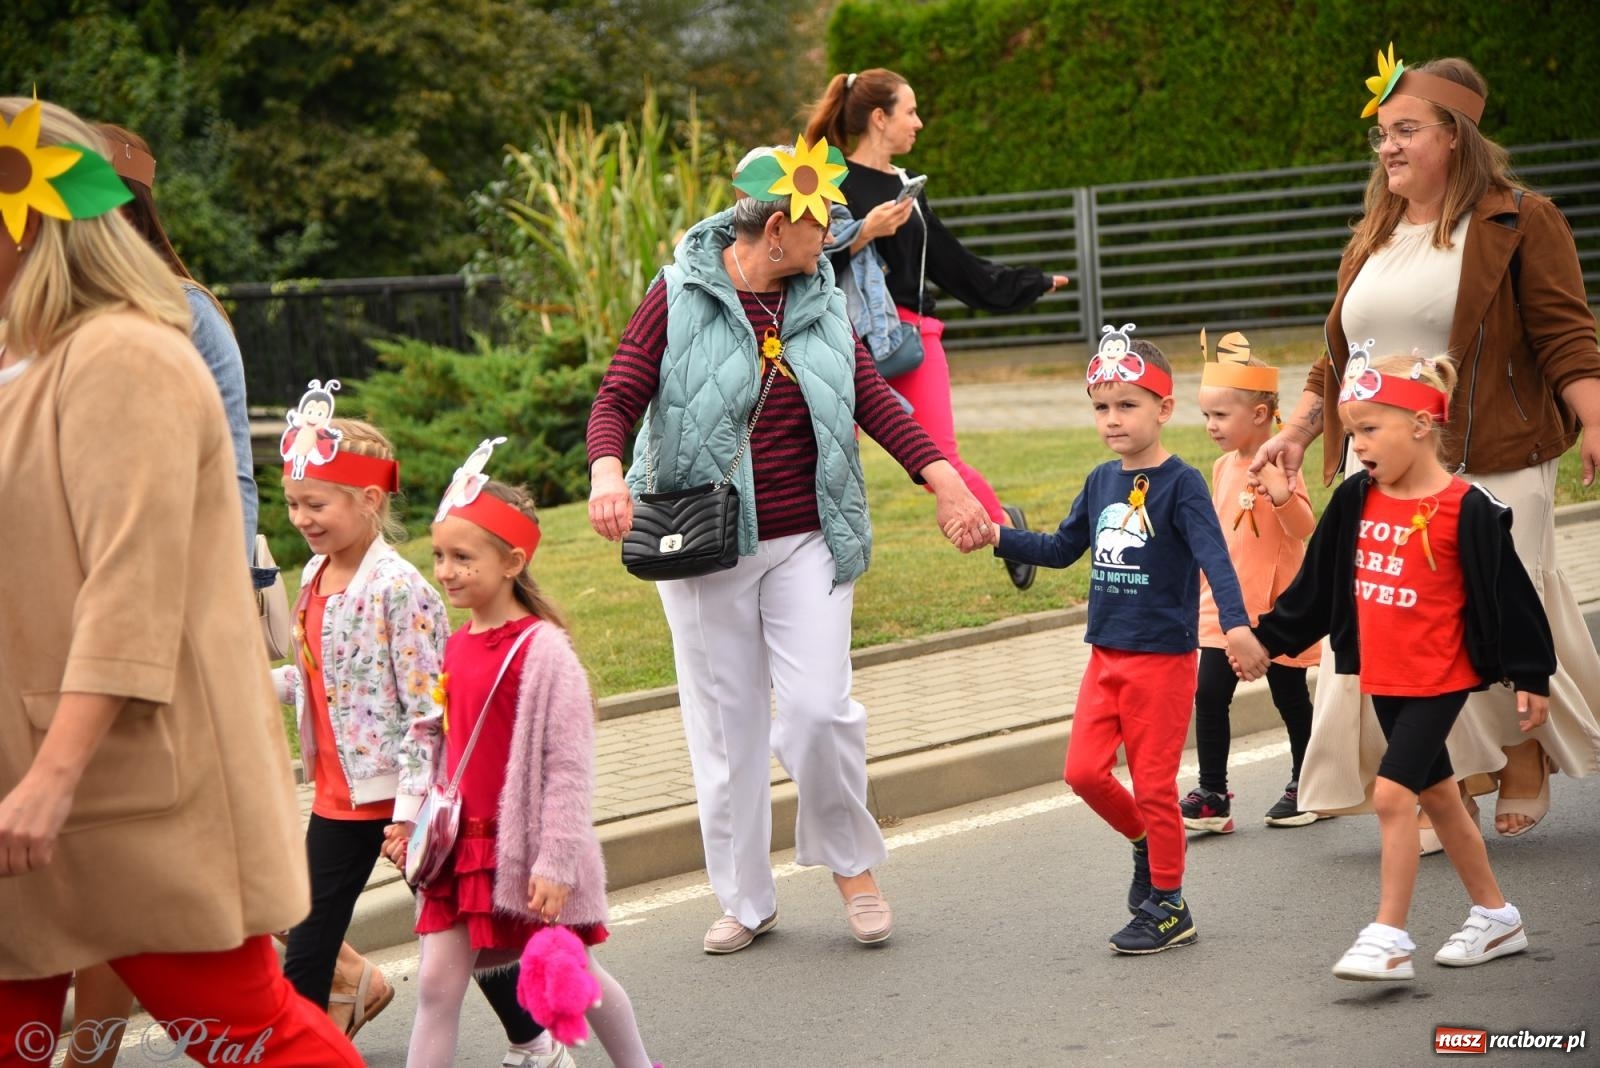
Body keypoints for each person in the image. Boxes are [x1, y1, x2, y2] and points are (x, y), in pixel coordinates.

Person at [0, 95, 360, 1065]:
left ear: (25, 215)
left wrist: (51, 776)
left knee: (253, 1034)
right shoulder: (20, 364)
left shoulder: (124, 355)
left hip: (116, 787)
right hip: (34, 784)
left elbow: (131, 589)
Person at [587, 135, 991, 954]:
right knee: (727, 730)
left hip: (809, 534)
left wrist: (945, 480)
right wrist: (605, 473)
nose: (833, 235)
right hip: (704, 545)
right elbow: (619, 392)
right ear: (776, 230)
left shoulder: (822, 295)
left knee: (817, 711)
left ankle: (851, 864)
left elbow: (870, 398)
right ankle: (745, 897)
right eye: (821, 225)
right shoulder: (678, 293)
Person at [1252, 48, 1600, 844]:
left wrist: (1596, 420)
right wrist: (1300, 431)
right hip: (1390, 464)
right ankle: (1447, 778)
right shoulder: (1372, 234)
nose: (1389, 149)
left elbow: (1566, 335)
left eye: (1407, 130)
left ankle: (1519, 755)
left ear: (1457, 137)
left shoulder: (1517, 220)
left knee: (1492, 609)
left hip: (1497, 457)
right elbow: (1338, 358)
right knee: (1404, 623)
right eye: (1382, 135)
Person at [1245, 353, 1553, 981]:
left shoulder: (1470, 508)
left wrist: (1531, 675)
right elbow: (1319, 586)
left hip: (1439, 677)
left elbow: (1512, 596)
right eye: (1351, 431)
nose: (1356, 446)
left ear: (1420, 424)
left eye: (1368, 430)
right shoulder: (1358, 498)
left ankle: (1387, 936)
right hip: (1381, 675)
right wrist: (1265, 639)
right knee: (1439, 795)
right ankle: (1498, 918)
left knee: (1393, 796)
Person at [972, 328, 1269, 954]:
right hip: (1105, 654)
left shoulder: (1182, 483)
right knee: (1082, 772)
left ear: (1163, 409)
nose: (1113, 419)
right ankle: (1145, 841)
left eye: (1127, 405)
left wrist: (1237, 627)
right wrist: (997, 536)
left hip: (1162, 661)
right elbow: (1059, 548)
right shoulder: (1102, 479)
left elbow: (1216, 559)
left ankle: (1169, 904)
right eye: (1102, 407)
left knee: (1156, 787)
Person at [394, 452, 656, 1067]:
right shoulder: (455, 645)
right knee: (435, 986)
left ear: (512, 563)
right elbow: (432, 737)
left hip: (529, 853)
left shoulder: (545, 653)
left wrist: (557, 861)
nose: (447, 572)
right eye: (439, 556)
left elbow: (568, 768)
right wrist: (409, 816)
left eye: (463, 558)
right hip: (461, 853)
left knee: (578, 978)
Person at [805, 68, 1071, 592]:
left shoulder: (907, 189)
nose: (919, 123)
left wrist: (1030, 283)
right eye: (910, 111)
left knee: (938, 461)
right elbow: (807, 264)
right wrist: (863, 235)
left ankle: (1007, 530)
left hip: (911, 341)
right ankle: (811, 580)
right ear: (879, 118)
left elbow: (955, 266)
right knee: (823, 460)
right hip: (841, 342)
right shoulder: (829, 186)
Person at [270, 402, 447, 1022]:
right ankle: (298, 1054)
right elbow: (330, 679)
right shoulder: (315, 574)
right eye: (294, 503)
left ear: (369, 499)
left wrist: (408, 813)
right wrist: (260, 687)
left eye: (316, 505)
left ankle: (533, 1038)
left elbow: (430, 710)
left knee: (466, 937)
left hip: (402, 800)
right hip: (337, 799)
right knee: (309, 943)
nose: (300, 519)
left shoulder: (399, 590)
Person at [1182, 332, 1320, 833]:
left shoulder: (1283, 459)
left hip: (1279, 608)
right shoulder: (1222, 467)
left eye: (1220, 415)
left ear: (1259, 416)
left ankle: (1309, 783)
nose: (1211, 426)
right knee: (1210, 695)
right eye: (1207, 416)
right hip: (1227, 609)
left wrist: (1282, 493)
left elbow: (1305, 529)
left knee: (1289, 696)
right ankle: (1213, 795)